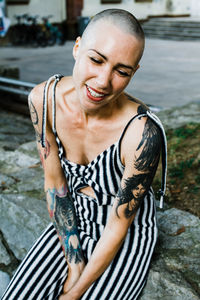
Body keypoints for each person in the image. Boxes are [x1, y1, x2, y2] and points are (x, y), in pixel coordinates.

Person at [1, 8, 167, 300]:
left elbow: (119, 223)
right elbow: (56, 185)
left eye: (121, 71)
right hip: (72, 218)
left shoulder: (141, 133)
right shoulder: (43, 100)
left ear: (134, 72)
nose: (103, 81)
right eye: (96, 59)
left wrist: (75, 291)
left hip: (124, 232)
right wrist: (74, 262)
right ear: (77, 48)